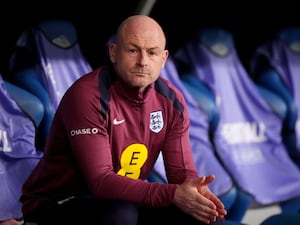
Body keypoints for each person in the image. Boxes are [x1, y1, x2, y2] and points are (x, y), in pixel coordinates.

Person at [20, 15, 227, 225]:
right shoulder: (87, 95)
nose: (143, 61)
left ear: (163, 59)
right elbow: (100, 182)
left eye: (152, 52)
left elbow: (181, 172)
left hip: (121, 200)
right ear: (113, 53)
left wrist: (193, 190)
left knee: (208, 217)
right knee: (121, 215)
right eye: (133, 50)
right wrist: (173, 193)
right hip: (56, 204)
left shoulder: (171, 101)